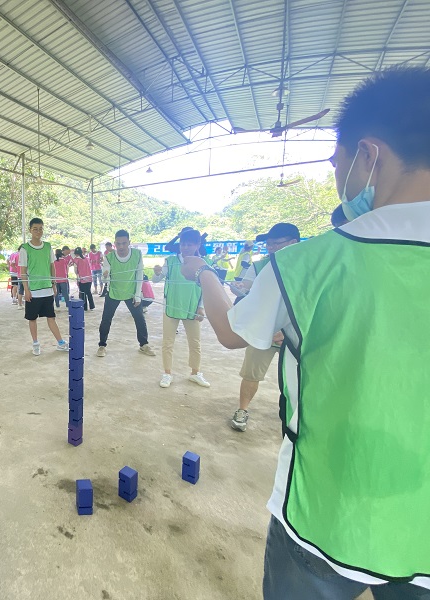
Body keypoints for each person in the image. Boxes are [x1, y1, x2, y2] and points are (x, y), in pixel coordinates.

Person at [181, 67, 430, 599]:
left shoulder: (308, 263)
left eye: (339, 162)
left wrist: (202, 271)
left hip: (324, 516)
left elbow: (228, 329)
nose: (339, 175)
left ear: (371, 155)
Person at [229, 223, 300, 432]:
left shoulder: (308, 267)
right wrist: (240, 289)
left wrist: (287, 331)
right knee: (252, 373)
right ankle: (242, 410)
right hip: (265, 332)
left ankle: (298, 416)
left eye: (275, 244)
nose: (270, 248)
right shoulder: (260, 266)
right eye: (268, 244)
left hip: (297, 335)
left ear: (293, 243)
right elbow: (249, 293)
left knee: (300, 377)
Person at [152, 228, 209, 388]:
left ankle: (195, 373)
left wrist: (201, 307)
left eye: (189, 244)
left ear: (197, 245)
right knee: (168, 342)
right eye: (183, 244)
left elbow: (206, 287)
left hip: (192, 309)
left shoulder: (203, 263)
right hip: (171, 308)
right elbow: (156, 279)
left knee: (195, 342)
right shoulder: (170, 261)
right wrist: (156, 272)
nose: (185, 247)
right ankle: (167, 373)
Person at [96, 229, 155, 357]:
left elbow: (139, 274)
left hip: (131, 293)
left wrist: (138, 295)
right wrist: (105, 276)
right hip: (114, 292)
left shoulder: (137, 254)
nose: (121, 246)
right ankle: (102, 345)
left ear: (129, 242)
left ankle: (143, 344)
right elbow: (105, 279)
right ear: (114, 244)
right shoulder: (109, 257)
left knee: (139, 318)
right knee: (106, 319)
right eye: (118, 243)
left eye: (124, 243)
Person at [19, 217, 69, 355]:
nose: (38, 231)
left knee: (51, 317)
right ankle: (35, 343)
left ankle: (60, 342)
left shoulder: (48, 246)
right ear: (30, 230)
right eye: (35, 229)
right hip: (33, 292)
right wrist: (26, 290)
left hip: (47, 289)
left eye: (40, 228)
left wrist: (53, 284)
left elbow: (52, 266)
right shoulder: (25, 248)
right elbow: (23, 271)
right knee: (32, 319)